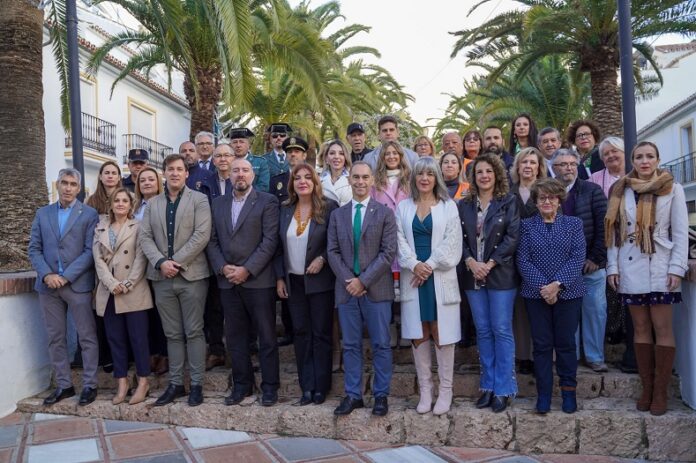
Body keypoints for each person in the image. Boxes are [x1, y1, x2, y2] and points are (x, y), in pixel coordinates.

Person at [606, 141, 688, 416]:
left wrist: (677, 268)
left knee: (662, 327)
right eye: (639, 157)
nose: (644, 161)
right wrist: (612, 267)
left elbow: (680, 232)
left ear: (657, 159)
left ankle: (661, 392)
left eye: (649, 156)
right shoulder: (621, 190)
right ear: (632, 160)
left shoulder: (672, 188)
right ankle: (647, 388)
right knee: (639, 328)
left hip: (661, 266)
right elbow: (615, 235)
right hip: (631, 265)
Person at [207, 157, 281, 406]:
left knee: (267, 337)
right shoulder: (217, 204)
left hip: (258, 281)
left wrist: (247, 269)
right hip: (228, 281)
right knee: (236, 338)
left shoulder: (267, 202)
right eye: (236, 170)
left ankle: (270, 387)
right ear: (229, 176)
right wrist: (222, 267)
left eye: (245, 170)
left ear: (253, 175)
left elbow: (270, 240)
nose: (240, 174)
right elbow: (212, 240)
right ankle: (242, 385)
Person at [140, 154, 212, 407]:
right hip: (161, 277)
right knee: (172, 334)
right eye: (170, 169)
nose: (174, 173)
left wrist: (176, 262)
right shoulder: (153, 204)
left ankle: (196, 385)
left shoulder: (200, 200)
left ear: (186, 174)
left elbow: (202, 235)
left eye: (179, 169)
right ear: (164, 173)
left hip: (191, 275)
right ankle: (175, 384)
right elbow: (145, 237)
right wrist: (161, 263)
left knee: (193, 331)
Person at [327, 161, 398, 416]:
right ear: (350, 180)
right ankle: (353, 395)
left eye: (364, 177)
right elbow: (332, 252)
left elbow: (388, 252)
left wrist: (363, 281)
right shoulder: (337, 215)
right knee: (350, 345)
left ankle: (381, 395)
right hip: (347, 290)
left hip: (377, 290)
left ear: (371, 181)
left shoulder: (385, 213)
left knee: (381, 344)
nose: (359, 182)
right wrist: (351, 280)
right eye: (355, 177)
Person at [396, 157, 463, 415]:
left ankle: (446, 391)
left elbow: (452, 241)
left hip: (439, 276)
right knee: (419, 331)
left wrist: (430, 264)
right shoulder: (403, 207)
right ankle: (426, 391)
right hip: (414, 277)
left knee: (441, 330)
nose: (424, 178)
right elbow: (398, 239)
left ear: (437, 178)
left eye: (430, 174)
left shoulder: (449, 207)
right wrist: (415, 264)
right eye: (420, 174)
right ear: (413, 178)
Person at [28, 168, 100, 406]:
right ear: (57, 185)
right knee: (55, 337)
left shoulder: (89, 214)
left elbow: (90, 251)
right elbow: (34, 249)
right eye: (64, 183)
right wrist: (47, 274)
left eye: (72, 184)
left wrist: (66, 276)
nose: (68, 188)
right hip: (48, 287)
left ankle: (90, 385)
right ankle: (64, 385)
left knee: (87, 337)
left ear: (79, 189)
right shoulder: (42, 213)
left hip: (77, 284)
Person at [517, 178, 586, 414]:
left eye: (552, 197)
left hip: (569, 293)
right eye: (542, 198)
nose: (547, 201)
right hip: (536, 295)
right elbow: (522, 260)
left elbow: (577, 257)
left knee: (566, 344)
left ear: (559, 200)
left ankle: (568, 393)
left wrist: (557, 285)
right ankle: (543, 395)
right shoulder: (526, 226)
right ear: (535, 202)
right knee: (542, 345)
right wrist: (544, 289)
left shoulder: (574, 224)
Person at [458, 153, 520, 413]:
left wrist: (490, 264)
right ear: (473, 177)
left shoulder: (509, 202)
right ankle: (487, 385)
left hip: (501, 275)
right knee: (482, 330)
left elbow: (513, 237)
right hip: (473, 276)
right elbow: (457, 238)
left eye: (488, 172)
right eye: (479, 172)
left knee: (501, 329)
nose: (484, 176)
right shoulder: (463, 205)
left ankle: (505, 388)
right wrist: (471, 262)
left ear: (497, 175)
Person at [275, 164, 339, 405]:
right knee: (301, 333)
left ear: (315, 181)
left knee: (321, 334)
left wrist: (322, 259)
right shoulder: (284, 210)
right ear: (292, 183)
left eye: (307, 177)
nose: (302, 181)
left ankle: (321, 387)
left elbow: (335, 241)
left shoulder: (329, 207)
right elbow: (277, 248)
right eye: (297, 178)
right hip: (294, 281)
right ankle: (306, 386)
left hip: (320, 281)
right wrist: (280, 277)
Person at [93, 188, 152, 405]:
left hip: (133, 289)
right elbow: (97, 259)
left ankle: (144, 381)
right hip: (109, 291)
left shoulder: (138, 226)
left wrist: (127, 283)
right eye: (116, 200)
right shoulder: (100, 227)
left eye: (124, 201)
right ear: (110, 204)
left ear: (131, 205)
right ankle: (122, 382)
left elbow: (141, 257)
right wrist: (111, 283)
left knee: (138, 339)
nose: (120, 204)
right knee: (115, 340)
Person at [551, 148, 608, 372]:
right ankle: (570, 357)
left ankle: (595, 357)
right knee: (567, 317)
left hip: (590, 266)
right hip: (561, 270)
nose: (568, 168)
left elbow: (605, 226)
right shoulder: (548, 193)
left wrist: (595, 257)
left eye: (572, 164)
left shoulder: (592, 191)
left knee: (595, 312)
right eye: (563, 164)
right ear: (554, 169)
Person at [591, 137, 630, 365]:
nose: (611, 156)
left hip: (633, 243)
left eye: (615, 151)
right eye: (606, 154)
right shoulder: (596, 179)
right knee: (612, 291)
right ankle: (614, 333)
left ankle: (629, 336)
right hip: (607, 242)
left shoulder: (636, 177)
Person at [269, 136, 310, 347]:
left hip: (306, 235)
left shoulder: (312, 179)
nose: (293, 154)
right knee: (286, 284)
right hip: (283, 234)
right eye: (290, 152)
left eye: (297, 151)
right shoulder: (277, 179)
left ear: (304, 155)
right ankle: (289, 329)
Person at [509, 147, 547, 375]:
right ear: (517, 166)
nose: (528, 166)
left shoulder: (546, 191)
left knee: (539, 307)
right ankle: (522, 355)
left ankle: (539, 353)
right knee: (519, 309)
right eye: (524, 162)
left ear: (539, 167)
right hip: (512, 257)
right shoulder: (508, 192)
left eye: (532, 162)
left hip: (541, 256)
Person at [371, 141, 411, 348]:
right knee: (386, 287)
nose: (392, 156)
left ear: (401, 155)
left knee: (405, 286)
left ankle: (406, 327)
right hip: (382, 239)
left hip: (406, 238)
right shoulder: (375, 182)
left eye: (395, 153)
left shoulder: (410, 179)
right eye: (387, 154)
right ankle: (390, 328)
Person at [133, 167, 169, 376]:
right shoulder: (135, 206)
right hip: (138, 266)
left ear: (158, 182)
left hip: (159, 263)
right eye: (142, 180)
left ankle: (164, 354)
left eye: (151, 179)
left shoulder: (165, 203)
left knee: (161, 312)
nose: (147, 183)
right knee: (146, 312)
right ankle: (152, 352)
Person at [229, 127, 270, 192]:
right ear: (230, 145)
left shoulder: (260, 162)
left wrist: (244, 195)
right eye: (235, 142)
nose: (238, 145)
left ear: (249, 145)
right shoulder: (227, 163)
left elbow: (263, 187)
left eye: (242, 142)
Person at [320, 139, 353, 206]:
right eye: (332, 153)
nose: (336, 157)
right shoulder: (318, 181)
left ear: (345, 157)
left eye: (341, 153)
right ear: (326, 158)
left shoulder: (353, 179)